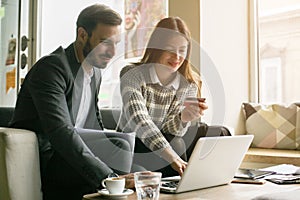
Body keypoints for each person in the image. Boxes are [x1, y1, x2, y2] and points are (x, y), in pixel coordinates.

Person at [9, 4, 135, 200]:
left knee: (138, 165)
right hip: (49, 158)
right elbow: (61, 132)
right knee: (120, 148)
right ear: (82, 34)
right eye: (105, 42)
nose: (112, 52)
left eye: (116, 43)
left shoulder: (96, 72)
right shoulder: (52, 69)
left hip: (74, 155)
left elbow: (92, 123)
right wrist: (109, 176)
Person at [117, 17, 208, 177]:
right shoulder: (131, 75)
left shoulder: (188, 84)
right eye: (170, 49)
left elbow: (171, 130)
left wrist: (183, 118)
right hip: (132, 145)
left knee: (206, 135)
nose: (177, 56)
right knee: (177, 145)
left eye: (182, 50)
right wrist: (172, 157)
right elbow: (140, 122)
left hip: (165, 145)